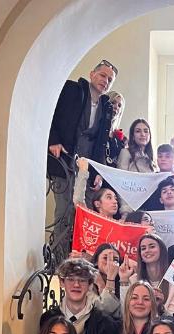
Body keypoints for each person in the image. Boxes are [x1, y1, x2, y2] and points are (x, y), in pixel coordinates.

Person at [48, 59, 117, 227]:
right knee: (64, 211)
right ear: (92, 74)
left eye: (110, 80)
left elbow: (101, 143)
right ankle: (61, 245)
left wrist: (99, 171)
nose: (105, 81)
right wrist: (53, 140)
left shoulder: (106, 107)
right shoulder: (72, 90)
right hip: (65, 159)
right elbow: (50, 114)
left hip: (87, 168)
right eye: (102, 75)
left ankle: (82, 245)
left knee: (86, 213)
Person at [42, 259, 120, 334]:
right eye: (71, 279)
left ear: (90, 285)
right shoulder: (48, 318)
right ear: (62, 282)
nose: (76, 284)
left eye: (82, 280)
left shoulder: (105, 322)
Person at [119, 233, 170, 304]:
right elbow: (125, 308)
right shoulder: (133, 280)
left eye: (152, 246)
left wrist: (159, 306)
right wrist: (123, 279)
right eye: (143, 248)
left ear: (162, 251)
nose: (147, 250)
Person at [90, 243, 122, 318]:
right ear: (96, 261)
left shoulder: (123, 281)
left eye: (115, 260)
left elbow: (118, 314)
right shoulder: (88, 281)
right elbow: (102, 311)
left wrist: (102, 286)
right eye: (105, 258)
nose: (110, 262)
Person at [105, 90, 127, 165]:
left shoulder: (120, 139)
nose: (116, 107)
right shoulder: (95, 129)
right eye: (113, 102)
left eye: (119, 105)